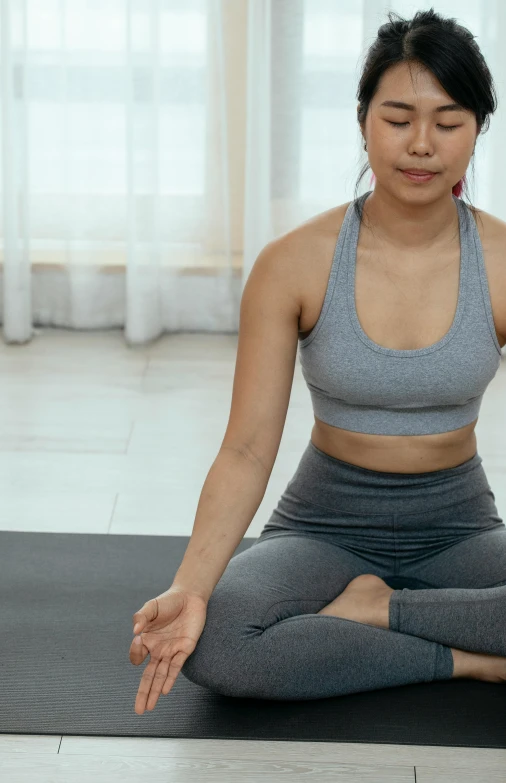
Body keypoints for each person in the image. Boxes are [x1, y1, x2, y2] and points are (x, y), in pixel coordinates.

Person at [129, 8, 506, 714]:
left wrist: (386, 612)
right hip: (324, 522)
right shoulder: (294, 263)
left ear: (479, 128)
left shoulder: (502, 261)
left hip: (460, 524)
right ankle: (466, 661)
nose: (421, 144)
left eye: (448, 122)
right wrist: (190, 585)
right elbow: (245, 449)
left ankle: (376, 613)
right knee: (219, 639)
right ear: (362, 119)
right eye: (397, 118)